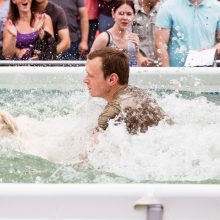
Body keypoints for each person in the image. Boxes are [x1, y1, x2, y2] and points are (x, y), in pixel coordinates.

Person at [84, 47, 168, 135]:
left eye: (90, 75)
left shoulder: (111, 114)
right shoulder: (138, 93)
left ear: (112, 79)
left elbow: (92, 147)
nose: (85, 80)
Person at [155, 0, 220, 67]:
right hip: (177, 72)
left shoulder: (217, 7)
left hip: (208, 71)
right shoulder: (168, 7)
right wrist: (166, 73)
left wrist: (212, 51)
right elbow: (160, 44)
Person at [90, 0, 142, 67]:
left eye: (129, 14)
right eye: (121, 13)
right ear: (113, 14)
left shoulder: (133, 39)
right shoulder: (104, 38)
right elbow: (90, 64)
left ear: (133, 16)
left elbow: (138, 70)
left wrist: (137, 51)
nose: (125, 18)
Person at [132, 0, 160, 66]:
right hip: (138, 65)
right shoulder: (130, 8)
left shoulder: (162, 11)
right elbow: (125, 37)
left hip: (158, 65)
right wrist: (139, 57)